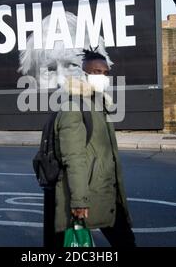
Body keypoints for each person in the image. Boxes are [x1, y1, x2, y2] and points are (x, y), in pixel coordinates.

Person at [51, 48, 136, 248]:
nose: (103, 77)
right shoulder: (74, 108)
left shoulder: (98, 104)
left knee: (125, 240)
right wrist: (79, 201)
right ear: (83, 74)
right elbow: (74, 158)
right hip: (90, 193)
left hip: (105, 191)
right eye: (97, 72)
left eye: (106, 73)